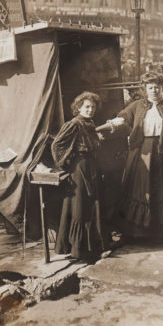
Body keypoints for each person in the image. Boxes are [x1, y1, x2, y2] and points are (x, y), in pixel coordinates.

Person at [108, 73, 163, 242]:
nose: (154, 90)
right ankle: (137, 234)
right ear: (145, 89)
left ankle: (162, 234)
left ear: (161, 87)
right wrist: (112, 123)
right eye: (150, 87)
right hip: (140, 153)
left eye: (157, 87)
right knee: (140, 190)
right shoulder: (137, 106)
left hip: (162, 153)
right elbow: (123, 118)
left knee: (161, 190)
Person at [51, 92, 107, 261]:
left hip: (91, 166)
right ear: (79, 108)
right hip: (80, 168)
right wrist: (68, 164)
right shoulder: (74, 123)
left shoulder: (89, 123)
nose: (90, 110)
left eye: (93, 107)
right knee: (80, 206)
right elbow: (57, 145)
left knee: (92, 206)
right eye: (87, 107)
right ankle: (79, 250)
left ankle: (94, 248)